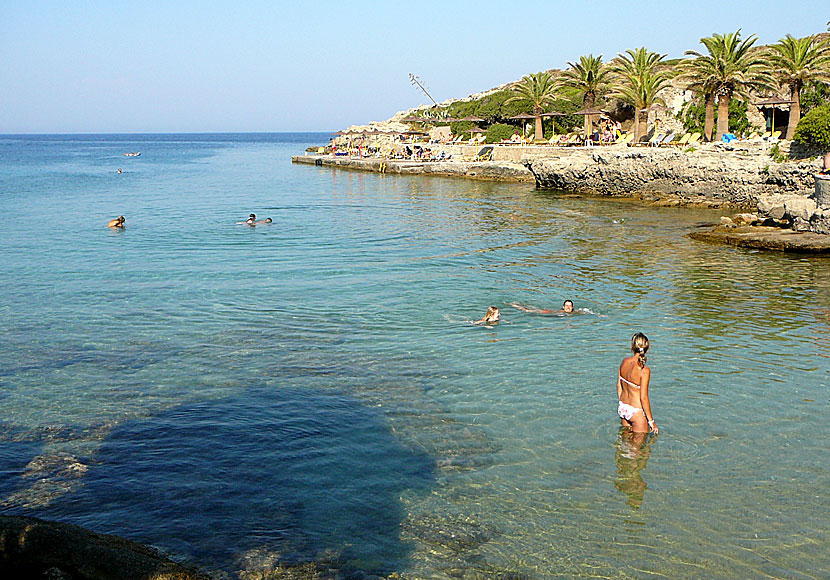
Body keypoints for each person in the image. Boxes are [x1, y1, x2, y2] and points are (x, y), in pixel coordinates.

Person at [617, 332, 658, 434]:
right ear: (647, 348)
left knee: (625, 445)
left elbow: (619, 386)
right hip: (636, 412)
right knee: (640, 449)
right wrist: (651, 422)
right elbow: (643, 398)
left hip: (623, 407)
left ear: (632, 346)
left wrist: (622, 403)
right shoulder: (644, 370)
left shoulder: (624, 362)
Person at [510, 300, 574, 315]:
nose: (568, 307)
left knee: (532, 308)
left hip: (545, 311)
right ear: (563, 307)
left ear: (572, 307)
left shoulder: (576, 312)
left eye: (569, 306)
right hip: (545, 312)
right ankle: (515, 305)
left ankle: (518, 304)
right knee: (527, 310)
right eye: (566, 305)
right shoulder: (561, 312)